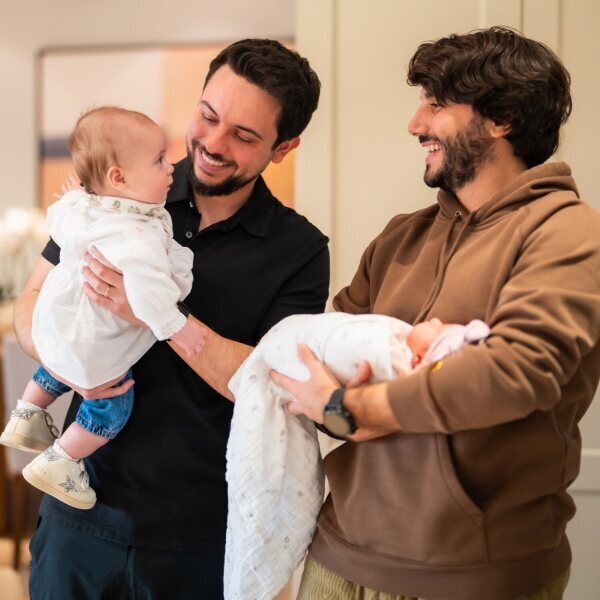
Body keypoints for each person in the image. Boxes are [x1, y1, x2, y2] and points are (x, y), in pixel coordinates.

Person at [272, 27, 600, 600]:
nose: (415, 123)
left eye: (437, 103)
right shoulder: (400, 238)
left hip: (475, 576)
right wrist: (338, 407)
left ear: (502, 118)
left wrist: (358, 406)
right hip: (336, 556)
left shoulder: (569, 232)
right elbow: (320, 366)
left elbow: (516, 372)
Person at [15, 39, 329, 598]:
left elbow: (277, 385)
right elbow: (29, 307)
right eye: (208, 115)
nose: (213, 143)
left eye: (244, 136)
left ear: (284, 147)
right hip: (78, 519)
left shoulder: (299, 250)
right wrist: (74, 365)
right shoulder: (117, 191)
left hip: (198, 537)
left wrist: (160, 317)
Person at [1, 106, 204, 511]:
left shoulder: (85, 207)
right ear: (119, 177)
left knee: (63, 355)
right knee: (113, 402)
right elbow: (151, 298)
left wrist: (75, 196)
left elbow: (60, 215)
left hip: (56, 323)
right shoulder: (139, 237)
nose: (171, 168)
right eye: (160, 160)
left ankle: (27, 411)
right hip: (95, 339)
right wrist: (177, 326)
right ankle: (62, 459)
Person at [225, 313, 489, 600]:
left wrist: (356, 407)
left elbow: (501, 381)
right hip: (339, 543)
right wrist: (337, 410)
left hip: (456, 561)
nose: (435, 320)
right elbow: (329, 384)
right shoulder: (377, 280)